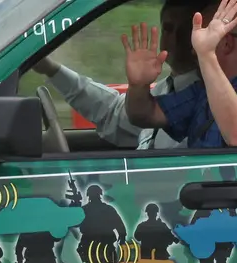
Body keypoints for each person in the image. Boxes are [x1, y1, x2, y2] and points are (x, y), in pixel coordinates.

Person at [31, 0, 207, 150]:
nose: (175, 38)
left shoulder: (204, 99)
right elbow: (112, 112)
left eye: (185, 30)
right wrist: (52, 69)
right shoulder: (165, 88)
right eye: (168, 29)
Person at [124, 0, 237, 149]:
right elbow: (145, 115)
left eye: (201, 38)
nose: (193, 50)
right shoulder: (203, 91)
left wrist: (206, 55)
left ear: (226, 43)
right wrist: (139, 86)